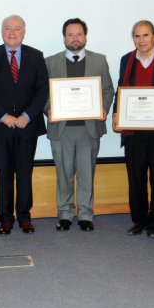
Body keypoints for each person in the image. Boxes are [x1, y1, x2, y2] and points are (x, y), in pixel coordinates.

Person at [0, 15, 49, 235]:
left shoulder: (36, 56)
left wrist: (26, 116)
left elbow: (42, 90)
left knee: (25, 174)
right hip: (0, 127)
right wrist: (3, 116)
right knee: (4, 175)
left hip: (28, 126)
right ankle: (6, 219)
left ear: (24, 32)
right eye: (7, 28)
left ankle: (25, 218)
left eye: (17, 29)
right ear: (2, 31)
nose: (12, 33)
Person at [112, 20, 154, 238]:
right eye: (137, 36)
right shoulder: (127, 60)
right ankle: (139, 220)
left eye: (145, 35)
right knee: (136, 178)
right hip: (134, 131)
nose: (141, 40)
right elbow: (121, 90)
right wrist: (116, 114)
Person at [45, 18, 114, 231]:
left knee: (86, 173)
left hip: (88, 128)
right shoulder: (50, 62)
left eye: (79, 34)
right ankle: (65, 213)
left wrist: (103, 107)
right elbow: (42, 93)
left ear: (85, 36)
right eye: (70, 34)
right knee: (63, 174)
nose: (75, 38)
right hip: (61, 129)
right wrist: (49, 110)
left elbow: (108, 89)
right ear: (64, 38)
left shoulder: (99, 61)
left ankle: (85, 214)